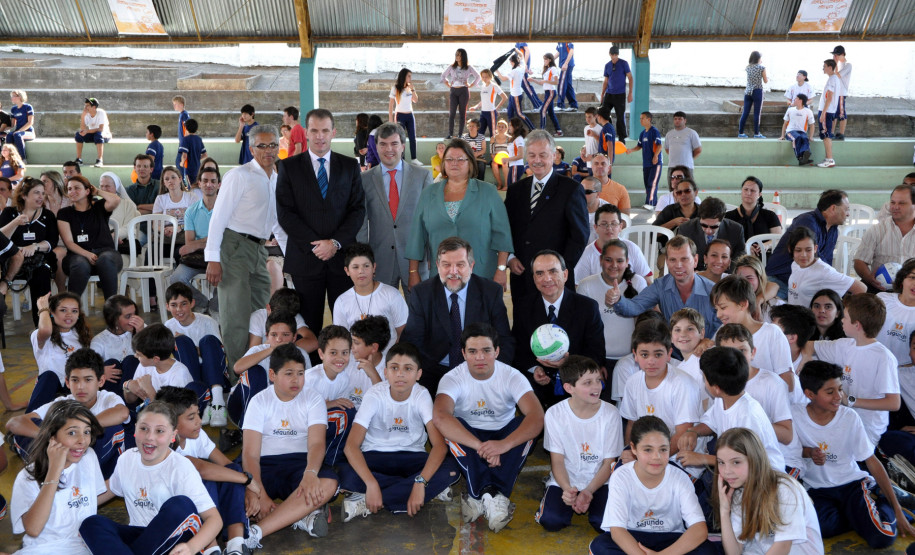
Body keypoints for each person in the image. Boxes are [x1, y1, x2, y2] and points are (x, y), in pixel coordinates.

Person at [432, 322, 545, 532]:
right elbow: (440, 416)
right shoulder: (452, 378)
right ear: (463, 353)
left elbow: (537, 417)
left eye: (486, 351)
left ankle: (478, 496)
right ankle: (493, 496)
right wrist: (481, 446)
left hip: (503, 433)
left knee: (525, 427)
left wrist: (503, 445)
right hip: (470, 436)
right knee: (452, 428)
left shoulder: (512, 376)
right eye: (473, 351)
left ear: (497, 351)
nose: (480, 357)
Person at [792, 361, 915, 547]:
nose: (838, 396)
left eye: (840, 389)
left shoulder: (849, 417)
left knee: (883, 537)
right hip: (818, 488)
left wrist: (897, 510)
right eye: (830, 391)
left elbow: (871, 461)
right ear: (809, 394)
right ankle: (861, 516)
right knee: (822, 529)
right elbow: (789, 451)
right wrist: (808, 452)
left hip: (851, 485)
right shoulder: (795, 415)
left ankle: (885, 502)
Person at [80, 402, 222, 555]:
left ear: (173, 436)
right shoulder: (126, 459)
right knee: (92, 524)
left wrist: (192, 547)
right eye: (143, 428)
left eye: (160, 431)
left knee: (180, 504)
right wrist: (64, 503)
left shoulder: (181, 467)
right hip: (140, 538)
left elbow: (215, 519)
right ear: (135, 429)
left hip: (173, 543)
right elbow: (108, 489)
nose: (149, 437)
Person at [339, 342, 459, 521]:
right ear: (385, 372)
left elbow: (439, 446)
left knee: (452, 469)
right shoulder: (374, 394)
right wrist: (371, 482)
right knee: (344, 472)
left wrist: (420, 482)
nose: (400, 374)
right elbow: (351, 447)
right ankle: (423, 491)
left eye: (408, 368)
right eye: (394, 368)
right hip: (375, 457)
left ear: (418, 374)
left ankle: (365, 499)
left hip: (411, 458)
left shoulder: (421, 394)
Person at [276, 109, 365, 340]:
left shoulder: (349, 166)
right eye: (314, 130)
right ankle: (312, 373)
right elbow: (286, 213)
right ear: (306, 133)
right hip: (306, 259)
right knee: (309, 328)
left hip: (342, 259)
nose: (320, 136)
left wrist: (334, 243)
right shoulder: (289, 167)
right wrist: (317, 245)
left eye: (325, 130)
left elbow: (357, 210)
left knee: (346, 326)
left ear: (333, 132)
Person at [240, 344, 340, 548]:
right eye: (289, 373)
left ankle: (257, 532)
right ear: (272, 375)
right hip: (264, 465)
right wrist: (259, 493)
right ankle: (300, 517)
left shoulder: (313, 398)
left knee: (328, 483)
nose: (296, 380)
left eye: (301, 373)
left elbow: (316, 443)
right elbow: (250, 455)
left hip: (299, 465)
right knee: (233, 483)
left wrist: (311, 472)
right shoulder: (259, 401)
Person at [206, 125, 280, 369]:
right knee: (236, 317)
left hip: (259, 249)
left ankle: (256, 370)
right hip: (233, 247)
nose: (268, 150)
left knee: (261, 313)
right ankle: (238, 377)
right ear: (251, 149)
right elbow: (219, 217)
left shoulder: (276, 178)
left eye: (273, 145)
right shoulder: (239, 175)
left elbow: (277, 222)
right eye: (262, 145)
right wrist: (213, 259)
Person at [402, 237, 514, 394]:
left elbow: (504, 340)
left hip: (480, 369)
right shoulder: (422, 293)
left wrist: (492, 375)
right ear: (437, 266)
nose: (453, 272)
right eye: (446, 265)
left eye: (460, 265)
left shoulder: (490, 291)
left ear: (471, 266)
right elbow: (413, 341)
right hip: (434, 371)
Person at [589, 415, 714, 555]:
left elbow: (699, 529)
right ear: (634, 449)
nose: (656, 457)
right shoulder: (621, 476)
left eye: (663, 449)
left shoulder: (679, 477)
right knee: (601, 546)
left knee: (706, 550)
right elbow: (617, 531)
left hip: (670, 538)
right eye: (648, 450)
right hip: (632, 536)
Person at [155, 386, 255, 555]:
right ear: (171, 423)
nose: (199, 421)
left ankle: (235, 544)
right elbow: (201, 468)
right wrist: (248, 481)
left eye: (198, 415)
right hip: (180, 517)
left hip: (207, 513)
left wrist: (248, 489)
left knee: (233, 469)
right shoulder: (165, 446)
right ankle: (210, 548)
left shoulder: (197, 434)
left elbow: (225, 464)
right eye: (191, 418)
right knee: (204, 479)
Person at [7, 349, 129, 478]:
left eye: (88, 380)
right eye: (75, 380)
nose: (81, 386)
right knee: (27, 430)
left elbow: (122, 413)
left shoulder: (107, 398)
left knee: (114, 429)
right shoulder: (63, 402)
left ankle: (67, 474)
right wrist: (52, 438)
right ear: (67, 382)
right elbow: (14, 423)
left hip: (96, 463)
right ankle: (59, 472)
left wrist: (82, 428)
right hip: (64, 455)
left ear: (100, 381)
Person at [406, 139, 512, 288]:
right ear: (443, 163)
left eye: (460, 159)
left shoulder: (488, 192)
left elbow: (503, 235)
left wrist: (501, 269)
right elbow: (417, 236)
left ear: (470, 163)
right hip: (442, 276)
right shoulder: (429, 194)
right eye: (449, 159)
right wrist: (413, 271)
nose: (454, 163)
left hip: (481, 273)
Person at [801, 294, 900, 449]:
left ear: (857, 325)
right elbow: (808, 345)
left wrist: (851, 401)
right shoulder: (844, 345)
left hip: (866, 428)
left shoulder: (883, 357)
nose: (841, 320)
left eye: (845, 317)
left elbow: (893, 403)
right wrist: (806, 362)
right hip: (840, 420)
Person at [505, 129, 589, 311]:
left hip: (556, 281)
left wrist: (557, 271)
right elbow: (506, 229)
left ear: (553, 155)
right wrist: (510, 258)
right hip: (522, 274)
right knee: (524, 328)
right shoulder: (515, 190)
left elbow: (579, 236)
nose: (537, 160)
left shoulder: (571, 189)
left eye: (543, 155)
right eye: (532, 155)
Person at [536, 355, 622, 532]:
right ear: (569, 388)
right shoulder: (554, 414)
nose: (596, 387)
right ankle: (552, 491)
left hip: (600, 481)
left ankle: (592, 502)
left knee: (604, 524)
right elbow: (557, 461)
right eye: (587, 382)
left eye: (598, 380)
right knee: (551, 521)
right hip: (567, 480)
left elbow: (609, 463)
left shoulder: (611, 413)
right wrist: (568, 490)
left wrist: (589, 491)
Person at [10, 400, 106, 554]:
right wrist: (55, 470)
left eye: (87, 431)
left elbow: (91, 497)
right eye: (72, 433)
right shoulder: (28, 477)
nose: (82, 440)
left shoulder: (88, 457)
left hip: (84, 545)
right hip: (44, 549)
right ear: (52, 437)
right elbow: (33, 529)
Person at [512, 250, 605, 406]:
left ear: (565, 274)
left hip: (578, 387)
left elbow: (596, 353)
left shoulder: (587, 307)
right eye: (540, 273)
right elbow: (518, 348)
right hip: (537, 389)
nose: (547, 279)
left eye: (553, 271)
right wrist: (534, 369)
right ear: (534, 279)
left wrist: (569, 363)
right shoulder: (523, 306)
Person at [714, 427, 824, 555]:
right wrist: (724, 511)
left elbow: (783, 547)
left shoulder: (784, 489)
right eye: (721, 462)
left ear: (754, 459)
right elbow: (734, 552)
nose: (727, 471)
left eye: (736, 462)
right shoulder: (739, 493)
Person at [677, 347, 785, 472]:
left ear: (716, 388)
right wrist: (694, 432)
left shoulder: (748, 415)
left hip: (764, 478)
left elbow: (748, 463)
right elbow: (710, 422)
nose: (704, 382)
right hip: (738, 472)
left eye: (704, 378)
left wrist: (703, 459)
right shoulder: (723, 397)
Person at [606, 235, 722, 337]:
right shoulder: (660, 285)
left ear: (695, 260)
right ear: (666, 261)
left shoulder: (713, 291)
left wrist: (709, 342)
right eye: (673, 260)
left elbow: (723, 326)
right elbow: (635, 306)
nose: (678, 265)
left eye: (684, 259)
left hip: (706, 354)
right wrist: (618, 300)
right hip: (672, 356)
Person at [711, 275, 797, 393]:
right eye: (716, 309)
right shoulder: (722, 332)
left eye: (723, 307)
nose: (718, 315)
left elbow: (788, 383)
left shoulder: (771, 333)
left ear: (743, 304)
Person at [163, 283, 229, 427]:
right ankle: (199, 401)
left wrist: (193, 347)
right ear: (167, 306)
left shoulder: (208, 321)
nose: (179, 310)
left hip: (213, 372)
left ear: (192, 303)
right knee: (180, 341)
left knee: (208, 340)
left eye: (183, 304)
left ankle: (218, 403)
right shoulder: (168, 326)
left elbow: (218, 353)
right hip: (190, 377)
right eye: (174, 305)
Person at [766, 189, 849, 297]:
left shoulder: (833, 230)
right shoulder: (807, 221)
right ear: (833, 208)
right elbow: (815, 258)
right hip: (780, 280)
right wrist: (839, 280)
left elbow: (826, 262)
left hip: (806, 283)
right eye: (846, 209)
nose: (848, 214)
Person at [0, 177, 58, 325]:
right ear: (24, 195)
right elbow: (0, 239)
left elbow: (52, 241)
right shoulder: (9, 213)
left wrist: (35, 246)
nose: (41, 197)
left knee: (42, 272)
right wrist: (15, 223)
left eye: (43, 193)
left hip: (38, 259)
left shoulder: (47, 215)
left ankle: (41, 324)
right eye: (36, 193)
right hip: (13, 260)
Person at [333, 243, 408, 352]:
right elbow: (341, 340)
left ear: (374, 267)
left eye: (366, 266)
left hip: (387, 361)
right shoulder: (341, 301)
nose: (361, 271)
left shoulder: (391, 295)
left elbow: (403, 333)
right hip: (356, 362)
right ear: (347, 271)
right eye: (355, 267)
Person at [57, 174, 121, 299]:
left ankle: (112, 306)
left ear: (87, 191)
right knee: (79, 264)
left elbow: (116, 200)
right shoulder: (64, 213)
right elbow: (69, 242)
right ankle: (71, 307)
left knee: (105, 259)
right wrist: (87, 254)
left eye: (77, 188)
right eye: (69, 189)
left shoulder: (99, 207)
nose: (72, 192)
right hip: (78, 255)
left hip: (105, 253)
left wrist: (97, 191)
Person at [28, 292, 92, 412]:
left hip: (74, 386)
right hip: (50, 387)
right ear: (51, 313)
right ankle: (31, 422)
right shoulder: (40, 336)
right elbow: (46, 330)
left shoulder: (80, 334)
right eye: (63, 310)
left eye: (74, 311)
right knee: (49, 376)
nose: (69, 315)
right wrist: (43, 309)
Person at [169, 166, 220, 310]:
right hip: (198, 257)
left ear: (218, 184)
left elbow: (225, 240)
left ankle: (215, 308)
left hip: (220, 255)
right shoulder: (191, 211)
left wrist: (199, 243)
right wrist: (208, 241)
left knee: (229, 276)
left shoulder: (226, 208)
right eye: (205, 181)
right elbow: (188, 243)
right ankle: (202, 303)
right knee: (176, 278)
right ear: (199, 183)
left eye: (212, 181)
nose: (209, 184)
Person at [854, 183, 915, 292]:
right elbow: (860, 261)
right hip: (880, 287)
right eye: (893, 202)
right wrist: (869, 278)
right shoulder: (876, 230)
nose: (895, 207)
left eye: (902, 203)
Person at [786, 226, 866, 307]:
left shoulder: (824, 271)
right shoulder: (796, 264)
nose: (803, 255)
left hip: (809, 319)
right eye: (798, 250)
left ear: (815, 248)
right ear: (790, 249)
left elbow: (861, 288)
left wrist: (844, 313)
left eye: (808, 250)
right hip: (793, 317)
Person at [574, 203, 651, 284]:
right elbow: (578, 286)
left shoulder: (632, 248)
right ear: (596, 228)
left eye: (614, 224)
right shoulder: (587, 254)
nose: (609, 228)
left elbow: (647, 281)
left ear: (621, 227)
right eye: (604, 224)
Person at [89, 295, 145, 393]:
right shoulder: (99, 340)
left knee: (131, 360)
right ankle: (116, 403)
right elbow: (88, 367)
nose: (134, 319)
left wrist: (141, 334)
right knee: (110, 363)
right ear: (114, 319)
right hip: (112, 387)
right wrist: (101, 371)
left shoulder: (141, 328)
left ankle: (128, 404)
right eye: (128, 316)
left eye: (135, 314)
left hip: (134, 387)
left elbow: (154, 357)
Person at [678, 197, 746, 270]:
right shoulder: (686, 229)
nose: (708, 231)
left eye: (714, 226)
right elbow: (680, 255)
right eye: (704, 225)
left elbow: (740, 256)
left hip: (724, 272)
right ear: (699, 218)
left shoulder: (736, 230)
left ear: (722, 219)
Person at [724, 176, 783, 251]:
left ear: (759, 194)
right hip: (737, 258)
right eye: (746, 189)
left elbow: (779, 239)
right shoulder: (729, 216)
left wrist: (766, 245)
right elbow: (724, 241)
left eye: (753, 191)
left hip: (764, 256)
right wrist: (745, 247)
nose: (748, 193)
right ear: (741, 191)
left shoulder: (770, 215)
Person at [876, 259, 915, 366]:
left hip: (906, 373)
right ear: (902, 279)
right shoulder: (882, 299)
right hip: (874, 364)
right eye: (912, 277)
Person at [152, 166, 201, 241]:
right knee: (150, 251)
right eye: (167, 179)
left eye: (173, 177)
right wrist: (164, 230)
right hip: (167, 234)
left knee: (177, 252)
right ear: (164, 183)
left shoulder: (191, 197)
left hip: (185, 232)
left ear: (180, 179)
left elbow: (196, 221)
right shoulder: (160, 199)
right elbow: (155, 224)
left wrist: (179, 227)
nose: (170, 181)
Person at [626, 111, 663, 210]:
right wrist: (631, 150)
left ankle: (650, 203)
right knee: (647, 184)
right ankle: (653, 203)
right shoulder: (642, 133)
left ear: (649, 119)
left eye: (643, 118)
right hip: (646, 163)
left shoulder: (654, 131)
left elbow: (659, 145)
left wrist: (655, 156)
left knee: (652, 183)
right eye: (640, 118)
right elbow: (639, 146)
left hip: (655, 163)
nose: (640, 120)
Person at [441, 49, 481, 139]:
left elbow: (478, 76)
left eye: (459, 55)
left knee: (462, 113)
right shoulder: (452, 66)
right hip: (454, 91)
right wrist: (447, 83)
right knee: (452, 113)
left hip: (463, 91)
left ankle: (460, 134)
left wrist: (471, 85)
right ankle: (450, 133)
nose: (457, 56)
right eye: (456, 55)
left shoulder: (468, 67)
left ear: (463, 56)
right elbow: (443, 75)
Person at [97, 172, 140, 255]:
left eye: (107, 186)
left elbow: (129, 227)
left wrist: (115, 236)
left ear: (116, 187)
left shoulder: (127, 205)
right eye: (102, 186)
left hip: (121, 242)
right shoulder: (96, 205)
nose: (104, 189)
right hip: (99, 243)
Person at [732, 254, 781, 322]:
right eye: (740, 278)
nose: (744, 283)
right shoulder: (731, 301)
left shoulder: (775, 305)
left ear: (760, 278)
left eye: (749, 278)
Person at [599, 46, 632, 141]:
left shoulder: (624, 63)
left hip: (620, 94)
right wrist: (602, 94)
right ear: (609, 54)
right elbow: (606, 80)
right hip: (609, 94)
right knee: (603, 113)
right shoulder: (607, 65)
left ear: (618, 54)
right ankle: (608, 132)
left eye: (615, 54)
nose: (614, 56)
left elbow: (630, 78)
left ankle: (622, 138)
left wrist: (630, 93)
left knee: (620, 116)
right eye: (612, 54)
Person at [388, 68, 421, 164]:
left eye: (411, 76)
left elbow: (415, 100)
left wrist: (413, 89)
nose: (410, 78)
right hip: (400, 115)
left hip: (410, 114)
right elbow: (391, 104)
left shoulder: (410, 88)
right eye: (409, 76)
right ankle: (402, 159)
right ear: (404, 76)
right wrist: (390, 118)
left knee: (412, 137)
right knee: (400, 138)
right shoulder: (395, 88)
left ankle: (414, 158)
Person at [495, 55, 534, 131]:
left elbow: (503, 79)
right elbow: (522, 56)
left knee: (519, 114)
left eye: (510, 62)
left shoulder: (514, 71)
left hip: (516, 95)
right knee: (510, 113)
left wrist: (497, 71)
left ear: (513, 62)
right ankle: (511, 130)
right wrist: (516, 49)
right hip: (513, 94)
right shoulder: (522, 66)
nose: (510, 64)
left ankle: (532, 128)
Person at [779, 93, 817, 165]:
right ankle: (800, 157)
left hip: (802, 131)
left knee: (805, 138)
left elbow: (812, 125)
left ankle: (805, 156)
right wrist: (782, 135)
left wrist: (811, 136)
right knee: (797, 138)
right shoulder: (790, 110)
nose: (794, 99)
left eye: (796, 98)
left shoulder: (808, 111)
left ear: (800, 100)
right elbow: (785, 123)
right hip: (790, 132)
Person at [467, 68, 506, 138]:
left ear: (490, 77)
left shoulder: (494, 86)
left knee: (493, 133)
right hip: (483, 113)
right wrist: (475, 107)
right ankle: (479, 148)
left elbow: (504, 97)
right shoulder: (483, 86)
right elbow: (483, 100)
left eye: (486, 77)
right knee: (479, 133)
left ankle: (493, 149)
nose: (484, 79)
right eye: (483, 77)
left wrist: (496, 108)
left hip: (491, 113)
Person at [530, 53, 562, 136]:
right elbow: (542, 83)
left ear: (550, 60)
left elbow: (556, 82)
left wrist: (545, 81)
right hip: (547, 92)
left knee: (542, 111)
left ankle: (542, 131)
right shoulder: (547, 70)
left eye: (546, 59)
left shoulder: (553, 69)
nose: (544, 61)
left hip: (551, 92)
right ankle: (559, 131)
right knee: (551, 113)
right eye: (544, 59)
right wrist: (533, 80)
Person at [737, 51, 768, 139]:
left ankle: (741, 133)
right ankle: (757, 133)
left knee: (745, 112)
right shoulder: (762, 68)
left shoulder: (748, 68)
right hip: (757, 91)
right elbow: (765, 81)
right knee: (757, 113)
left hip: (748, 91)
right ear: (758, 58)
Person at [73, 98, 111, 168]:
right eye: (85, 105)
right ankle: (79, 159)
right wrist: (82, 116)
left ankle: (99, 160)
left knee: (98, 135)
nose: (85, 107)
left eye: (87, 105)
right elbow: (83, 128)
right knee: (78, 135)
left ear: (94, 107)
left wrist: (87, 131)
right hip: (93, 134)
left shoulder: (101, 113)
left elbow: (100, 129)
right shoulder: (86, 114)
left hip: (104, 135)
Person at [816, 59, 840, 168]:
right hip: (829, 111)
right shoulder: (835, 79)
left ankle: (830, 159)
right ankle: (828, 158)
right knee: (827, 135)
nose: (823, 68)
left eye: (824, 66)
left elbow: (829, 97)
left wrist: (823, 113)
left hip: (827, 111)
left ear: (830, 67)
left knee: (826, 136)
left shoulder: (832, 80)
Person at [664, 112, 702, 179]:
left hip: (686, 166)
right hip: (672, 166)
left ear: (685, 120)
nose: (677, 121)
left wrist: (688, 158)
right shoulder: (669, 134)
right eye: (675, 119)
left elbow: (698, 150)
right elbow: (667, 149)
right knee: (673, 187)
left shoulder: (691, 133)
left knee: (687, 187)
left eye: (680, 119)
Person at [7, 89, 35, 160]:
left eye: (13, 96)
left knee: (17, 135)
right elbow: (12, 125)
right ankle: (8, 159)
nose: (11, 98)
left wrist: (19, 131)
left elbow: (30, 122)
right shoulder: (13, 109)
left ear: (19, 97)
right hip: (18, 131)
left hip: (28, 132)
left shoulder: (28, 107)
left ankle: (22, 159)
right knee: (9, 135)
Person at [832, 45, 852, 140]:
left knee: (841, 113)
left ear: (843, 54)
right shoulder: (838, 64)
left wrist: (835, 63)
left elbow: (838, 75)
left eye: (837, 55)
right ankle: (831, 133)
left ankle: (841, 133)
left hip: (841, 93)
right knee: (834, 113)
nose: (836, 56)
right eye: (835, 55)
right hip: (835, 92)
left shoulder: (848, 65)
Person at [178, 118, 207, 184]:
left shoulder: (185, 140)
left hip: (188, 169)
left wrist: (182, 162)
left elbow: (184, 155)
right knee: (196, 187)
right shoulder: (199, 139)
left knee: (187, 187)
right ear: (196, 129)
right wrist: (197, 158)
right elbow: (205, 155)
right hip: (197, 168)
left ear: (186, 128)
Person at [504, 117, 528, 188]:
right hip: (513, 166)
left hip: (516, 166)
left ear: (516, 127)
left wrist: (507, 159)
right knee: (511, 187)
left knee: (512, 187)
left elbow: (521, 155)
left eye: (510, 125)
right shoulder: (514, 139)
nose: (509, 127)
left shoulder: (519, 139)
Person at [554, 42, 577, 112]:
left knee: (561, 85)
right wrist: (551, 59)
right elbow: (558, 52)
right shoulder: (559, 42)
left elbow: (571, 51)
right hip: (565, 66)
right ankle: (573, 105)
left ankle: (560, 105)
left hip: (566, 66)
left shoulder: (567, 39)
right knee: (568, 85)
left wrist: (566, 63)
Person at [489, 119, 511, 190]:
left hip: (507, 159)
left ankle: (506, 185)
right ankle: (499, 183)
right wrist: (495, 159)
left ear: (506, 128)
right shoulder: (493, 138)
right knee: (493, 164)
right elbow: (492, 151)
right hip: (496, 158)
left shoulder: (509, 138)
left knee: (505, 164)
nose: (500, 128)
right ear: (497, 128)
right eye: (499, 127)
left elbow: (512, 152)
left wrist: (506, 158)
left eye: (503, 127)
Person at [172, 94, 189, 167]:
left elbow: (187, 129)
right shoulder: (181, 114)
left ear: (181, 105)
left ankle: (182, 178)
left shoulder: (184, 115)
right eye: (174, 104)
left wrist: (185, 142)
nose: (174, 106)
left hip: (183, 143)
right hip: (182, 142)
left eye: (176, 104)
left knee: (179, 163)